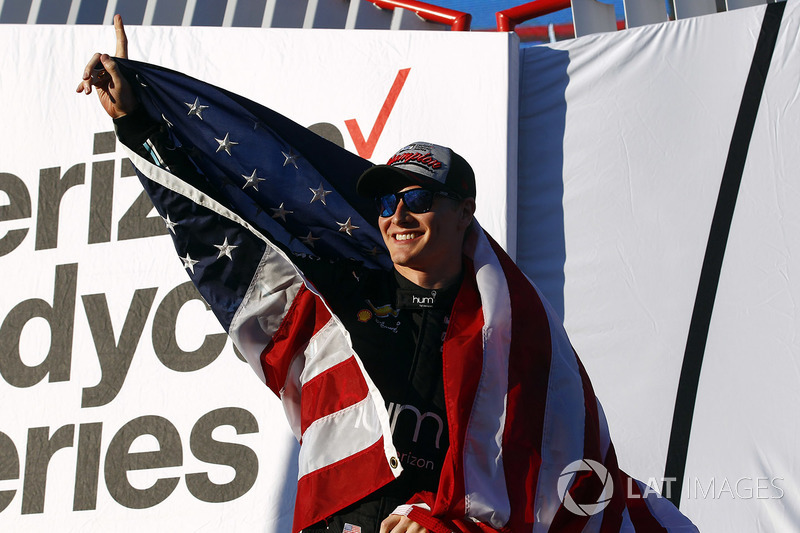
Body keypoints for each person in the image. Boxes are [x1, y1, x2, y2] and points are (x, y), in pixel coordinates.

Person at [78, 16, 698, 533]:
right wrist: (137, 121)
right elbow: (212, 234)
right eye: (384, 201)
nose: (398, 213)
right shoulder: (331, 301)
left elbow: (539, 486)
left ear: (465, 213)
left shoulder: (510, 339)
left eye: (420, 198)